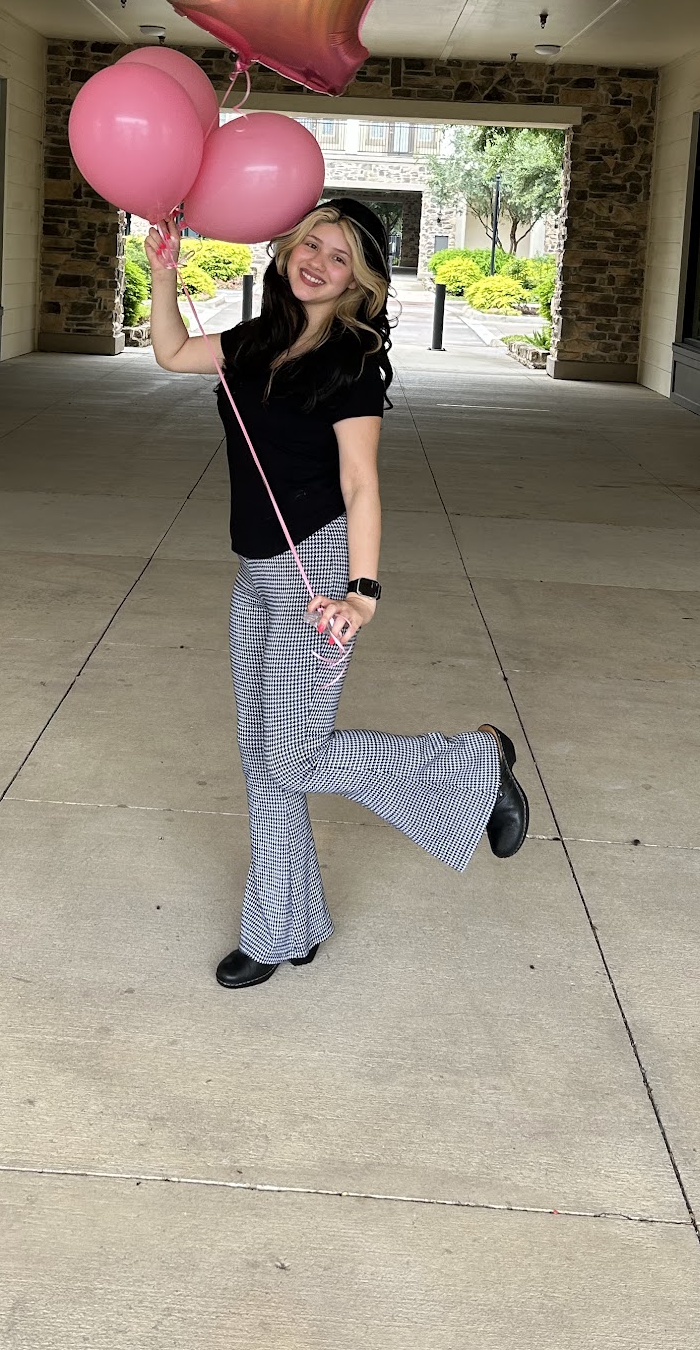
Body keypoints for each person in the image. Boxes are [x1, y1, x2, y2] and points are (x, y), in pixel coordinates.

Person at [145, 195, 529, 989]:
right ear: (288, 247)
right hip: (255, 576)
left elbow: (361, 486)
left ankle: (476, 761)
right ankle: (284, 928)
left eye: (340, 256)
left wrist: (362, 592)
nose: (318, 262)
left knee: (291, 755)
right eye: (311, 244)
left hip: (314, 574)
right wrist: (164, 271)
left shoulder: (350, 362)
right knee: (265, 762)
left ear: (360, 282)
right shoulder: (256, 340)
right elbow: (173, 351)